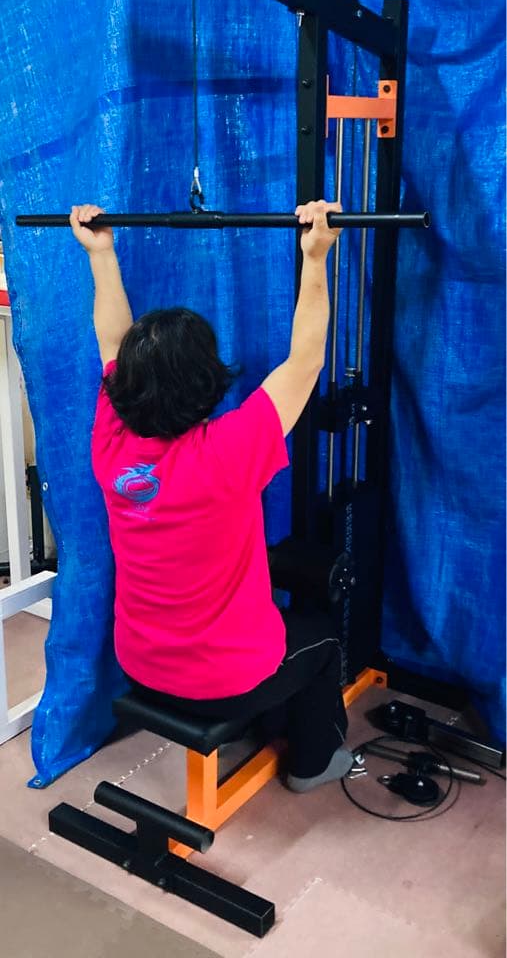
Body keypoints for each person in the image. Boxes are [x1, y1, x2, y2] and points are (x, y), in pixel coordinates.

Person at [70, 200, 354, 792]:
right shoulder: (229, 450)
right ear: (207, 384)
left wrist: (101, 255)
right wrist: (315, 256)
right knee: (323, 640)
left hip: (138, 664)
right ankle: (313, 766)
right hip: (223, 682)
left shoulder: (111, 442)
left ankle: (265, 718)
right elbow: (306, 361)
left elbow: (111, 343)